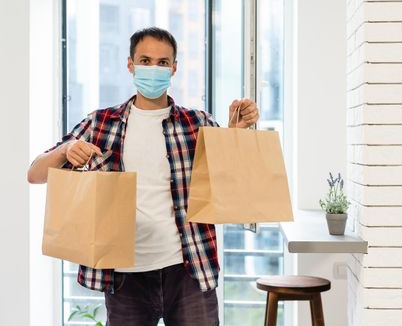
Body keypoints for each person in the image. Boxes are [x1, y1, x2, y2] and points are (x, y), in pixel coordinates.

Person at [27, 27, 259, 326]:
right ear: (130, 64)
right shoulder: (100, 123)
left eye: (163, 62)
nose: (154, 68)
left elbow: (229, 184)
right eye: (145, 60)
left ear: (174, 68)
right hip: (124, 275)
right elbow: (35, 173)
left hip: (188, 268)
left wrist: (236, 135)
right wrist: (68, 149)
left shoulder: (198, 123)